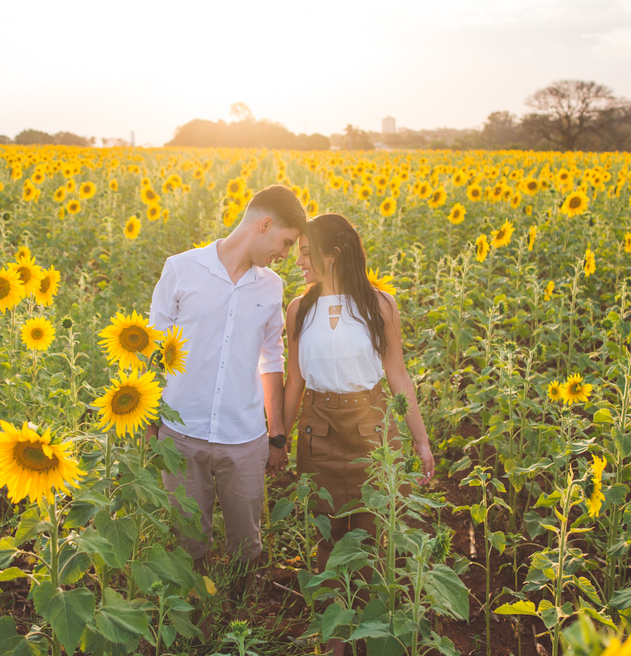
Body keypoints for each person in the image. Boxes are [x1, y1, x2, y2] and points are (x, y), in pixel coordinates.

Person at [148, 184, 307, 572]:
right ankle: (196, 609)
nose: (286, 255)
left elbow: (272, 360)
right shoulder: (181, 268)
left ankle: (240, 605)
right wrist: (150, 423)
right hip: (181, 433)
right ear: (264, 224)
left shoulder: (271, 285)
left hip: (244, 437)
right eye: (286, 242)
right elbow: (153, 351)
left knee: (247, 543)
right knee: (187, 541)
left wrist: (277, 435)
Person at [279, 213, 435, 577]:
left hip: (372, 430)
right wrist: (279, 440)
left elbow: (397, 375)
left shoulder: (380, 305)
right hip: (318, 431)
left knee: (372, 533)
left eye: (306, 252)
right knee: (327, 535)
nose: (298, 261)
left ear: (332, 256)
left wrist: (421, 441)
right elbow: (295, 380)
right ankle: (331, 614)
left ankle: (365, 611)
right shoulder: (298, 309)